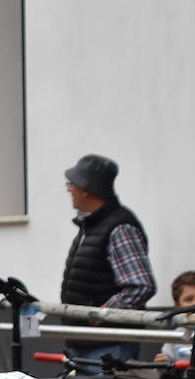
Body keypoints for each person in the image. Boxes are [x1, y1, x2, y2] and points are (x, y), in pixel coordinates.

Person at [60, 153, 155, 362]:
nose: (68, 189)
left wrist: (102, 314)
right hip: (89, 341)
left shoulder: (119, 227)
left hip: (109, 346)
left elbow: (141, 285)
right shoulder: (92, 225)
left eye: (71, 184)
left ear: (86, 190)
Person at [156, 271, 195, 364]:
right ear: (178, 306)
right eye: (189, 299)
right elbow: (167, 373)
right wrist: (162, 365)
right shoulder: (176, 337)